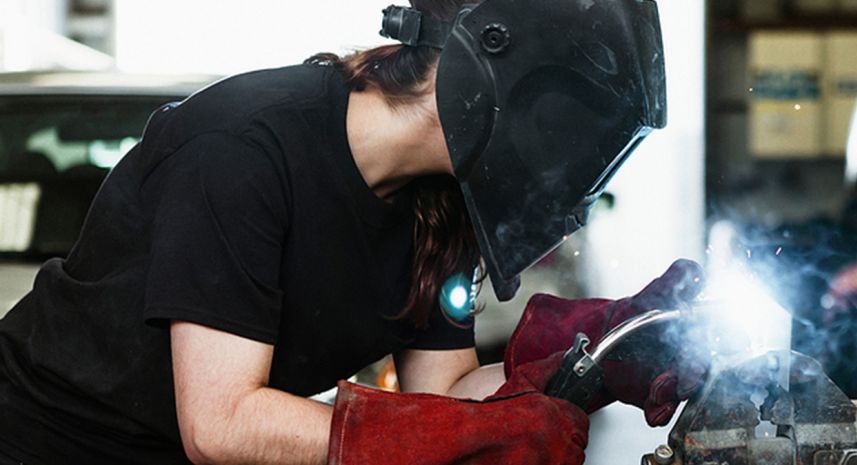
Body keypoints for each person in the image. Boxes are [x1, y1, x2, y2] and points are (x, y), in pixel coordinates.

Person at [0, 0, 701, 464]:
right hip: (47, 441)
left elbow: (447, 390)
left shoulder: (441, 201)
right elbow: (220, 423)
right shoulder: (247, 147)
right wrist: (435, 438)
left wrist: (596, 355)